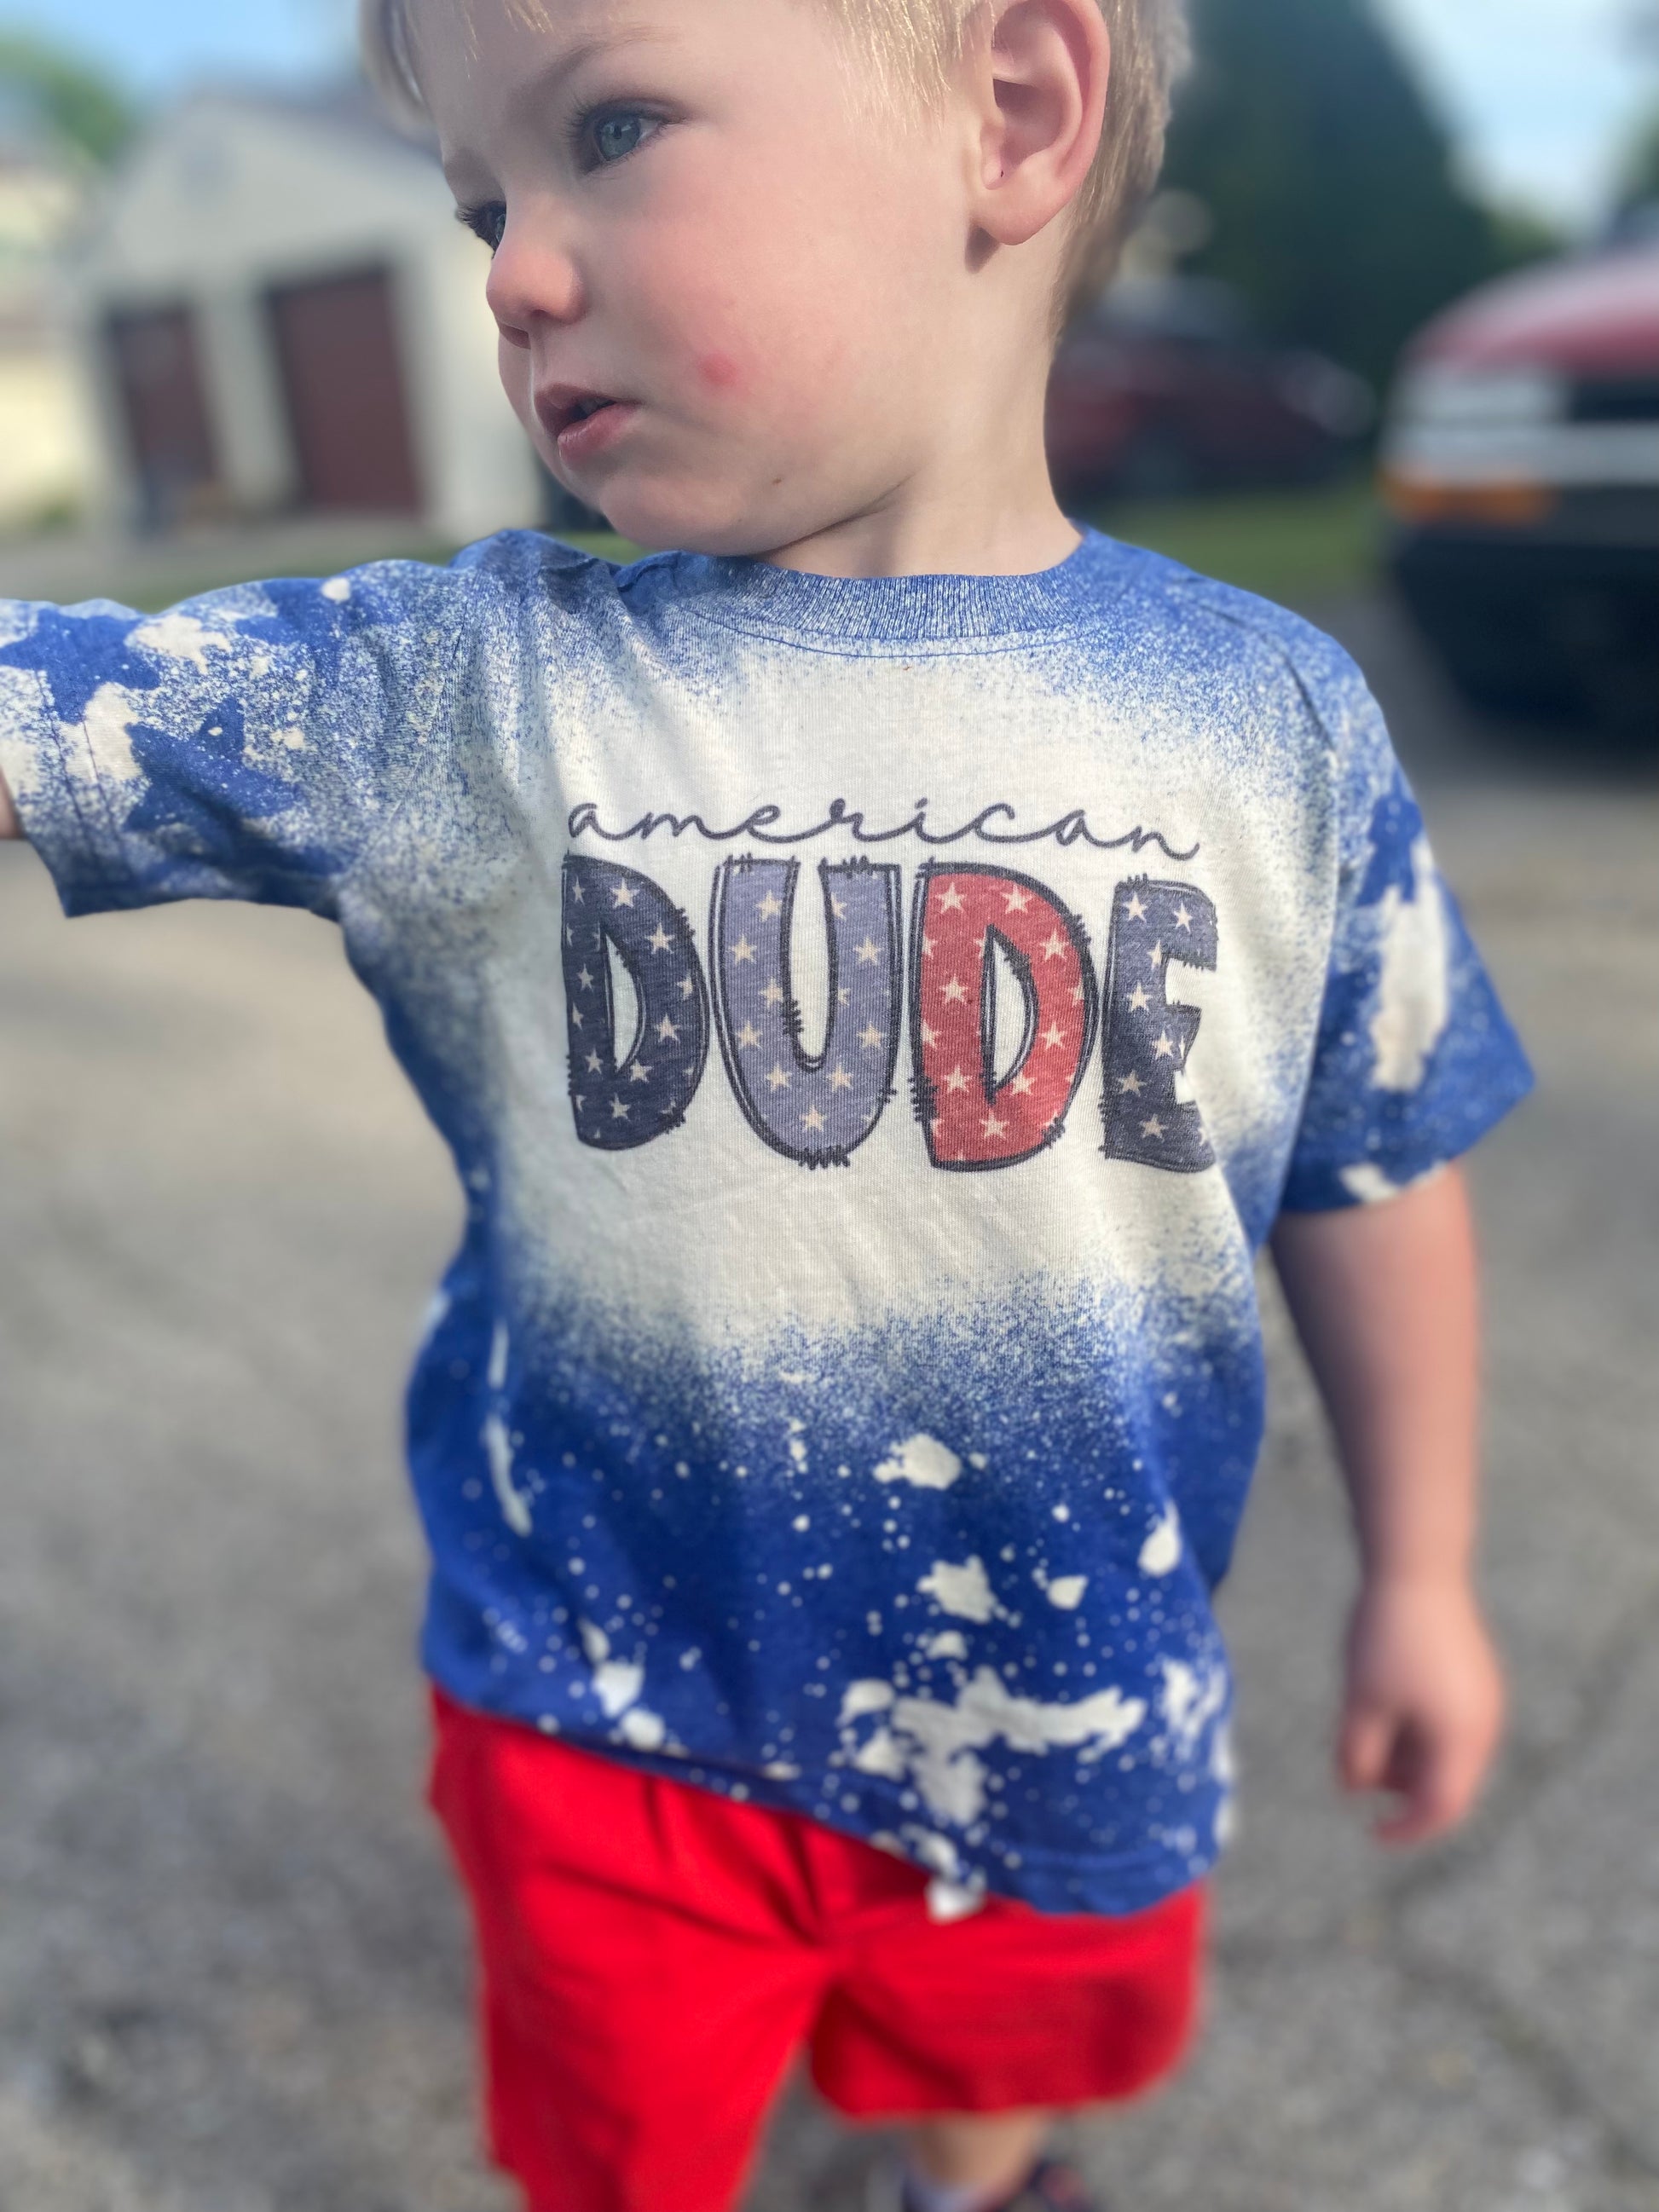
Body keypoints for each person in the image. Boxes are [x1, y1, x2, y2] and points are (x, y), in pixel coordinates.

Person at [0, 0, 1533, 2206]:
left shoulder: (1265, 724)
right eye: (481, 208)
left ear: (1012, 110)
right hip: (603, 1722)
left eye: (613, 128)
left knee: (997, 2065)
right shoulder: (467, 692)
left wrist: (1425, 1570)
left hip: (1067, 1702)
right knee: (622, 2143)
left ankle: (966, 2180)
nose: (518, 273)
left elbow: (1372, 1162)